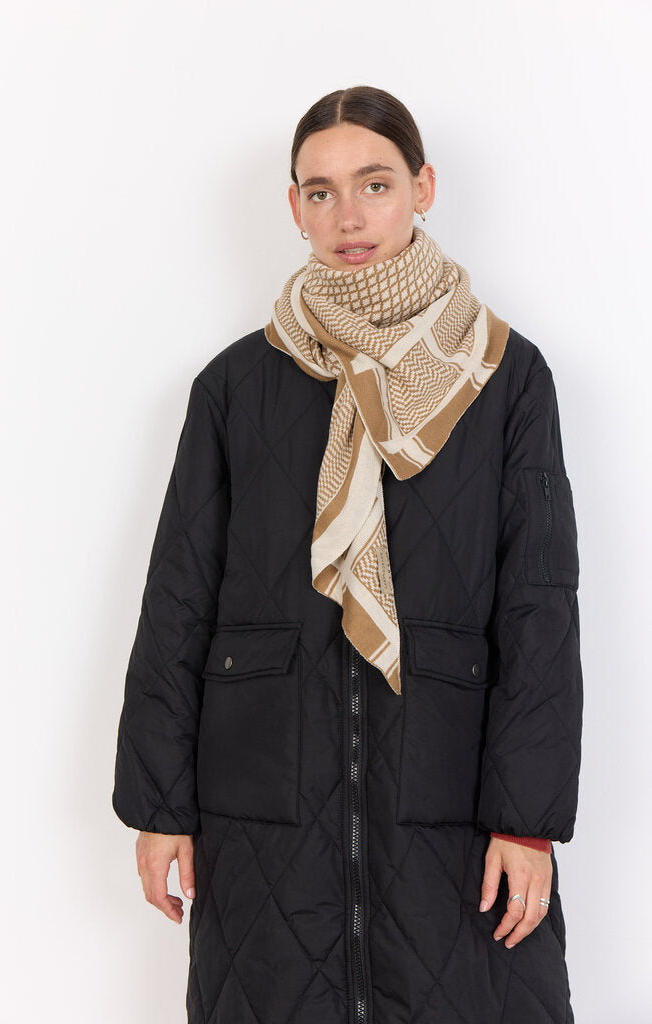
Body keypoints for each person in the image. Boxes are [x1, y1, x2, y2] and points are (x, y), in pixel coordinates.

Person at [112, 85, 583, 1023]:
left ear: (422, 188)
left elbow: (538, 605)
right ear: (294, 207)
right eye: (320, 192)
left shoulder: (504, 376)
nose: (349, 216)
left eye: (374, 183)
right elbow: (178, 600)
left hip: (448, 799)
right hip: (266, 808)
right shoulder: (235, 386)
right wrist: (159, 806)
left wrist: (525, 821)